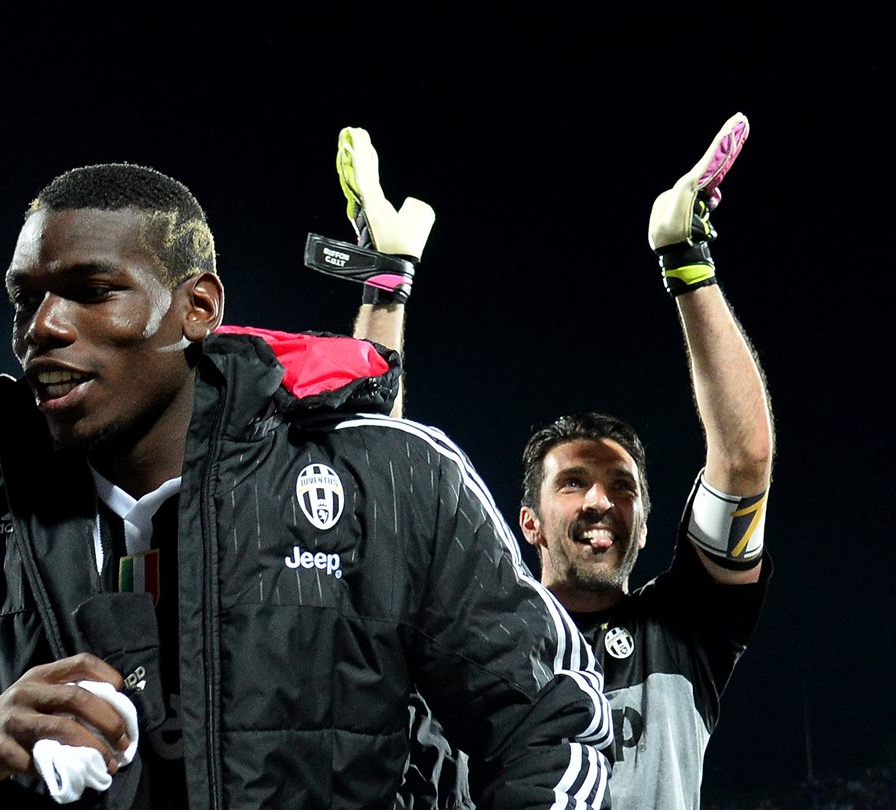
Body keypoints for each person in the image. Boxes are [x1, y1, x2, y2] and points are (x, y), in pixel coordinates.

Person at [0, 160, 614, 809]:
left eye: (90, 291)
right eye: (27, 298)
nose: (41, 327)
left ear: (196, 308)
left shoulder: (393, 478)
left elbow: (552, 721)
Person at [318, 116, 773, 808]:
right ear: (526, 522)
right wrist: (385, 287)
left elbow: (744, 460)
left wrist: (687, 263)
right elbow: (377, 485)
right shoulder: (457, 640)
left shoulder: (685, 634)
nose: (600, 501)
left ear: (646, 525)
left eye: (623, 488)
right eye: (574, 483)